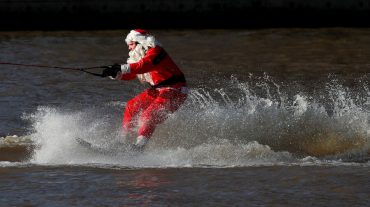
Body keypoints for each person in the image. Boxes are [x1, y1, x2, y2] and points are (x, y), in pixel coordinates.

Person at [102, 29, 188, 150]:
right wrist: (114, 74)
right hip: (159, 90)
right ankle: (122, 143)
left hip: (176, 90)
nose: (129, 48)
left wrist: (121, 67)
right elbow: (132, 73)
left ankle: (139, 147)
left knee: (148, 115)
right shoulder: (140, 56)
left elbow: (144, 66)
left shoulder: (157, 52)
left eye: (131, 44)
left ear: (139, 42)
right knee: (131, 106)